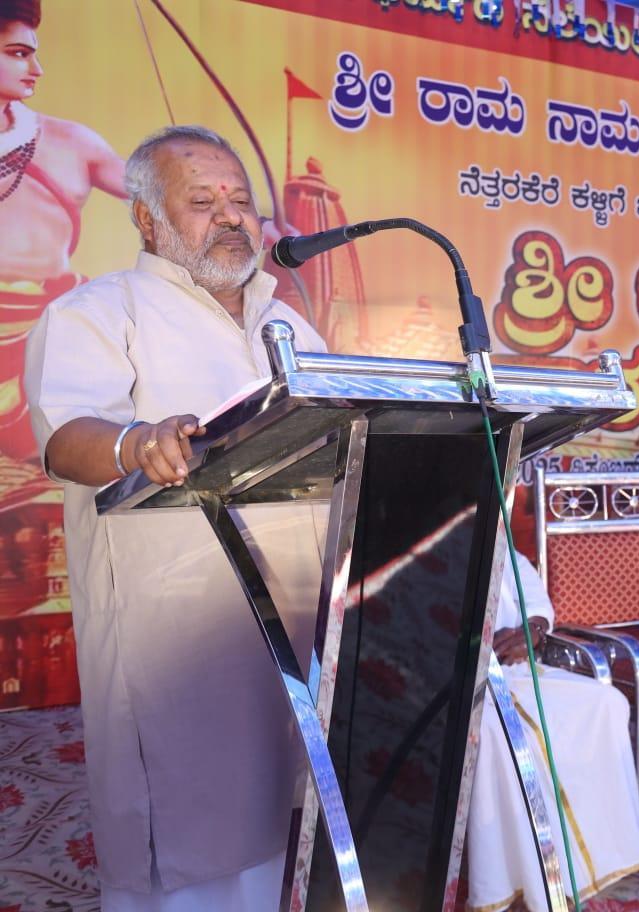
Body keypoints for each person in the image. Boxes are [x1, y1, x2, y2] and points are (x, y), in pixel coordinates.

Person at [24, 124, 328, 909]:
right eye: (202, 201)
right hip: (175, 636)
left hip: (297, 627)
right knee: (197, 848)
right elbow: (66, 438)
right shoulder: (100, 311)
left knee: (298, 825)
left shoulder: (288, 325)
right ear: (147, 219)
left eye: (240, 201)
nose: (230, 217)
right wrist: (137, 442)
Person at [466, 550, 639, 912]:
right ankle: (522, 881)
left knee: (608, 702)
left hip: (518, 671)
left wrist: (530, 631)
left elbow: (536, 604)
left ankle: (608, 852)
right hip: (462, 680)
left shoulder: (502, 542)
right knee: (499, 733)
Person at [1, 0, 126, 461]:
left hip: (44, 338)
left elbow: (164, 194)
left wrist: (256, 219)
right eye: (18, 54)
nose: (36, 69)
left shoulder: (71, 143)